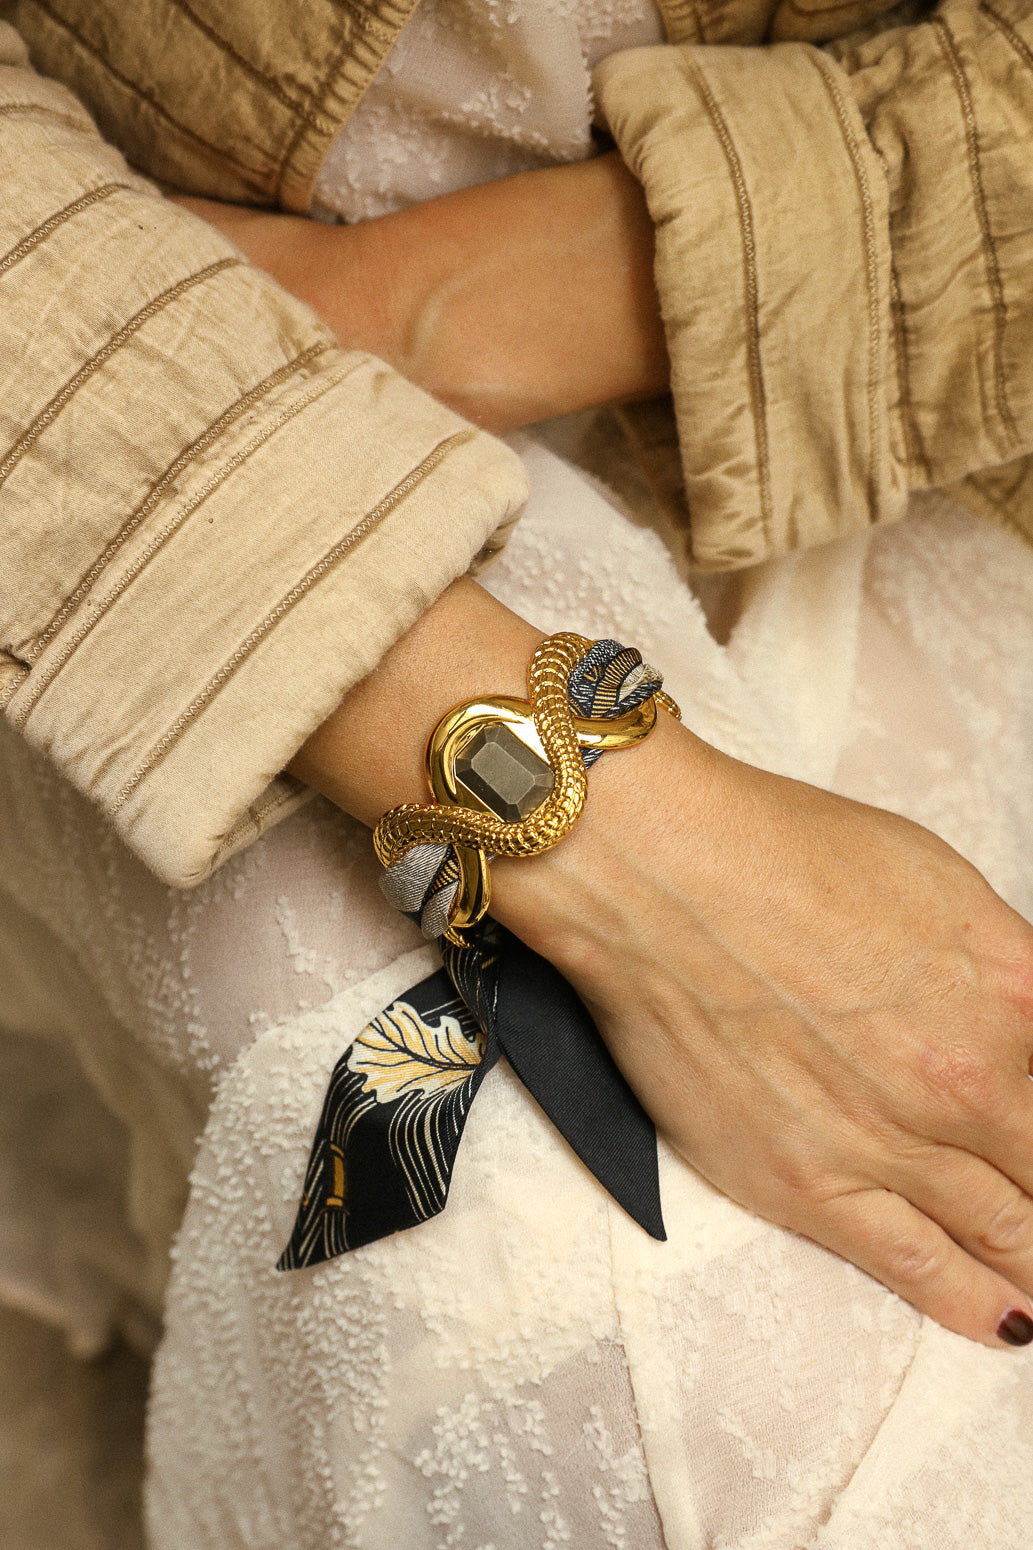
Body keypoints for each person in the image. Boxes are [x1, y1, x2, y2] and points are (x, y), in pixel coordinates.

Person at [2, 0, 1033, 1541]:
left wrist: (437, 300)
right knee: (644, 1360)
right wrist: (638, 856)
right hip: (115, 383)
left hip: (946, 349)